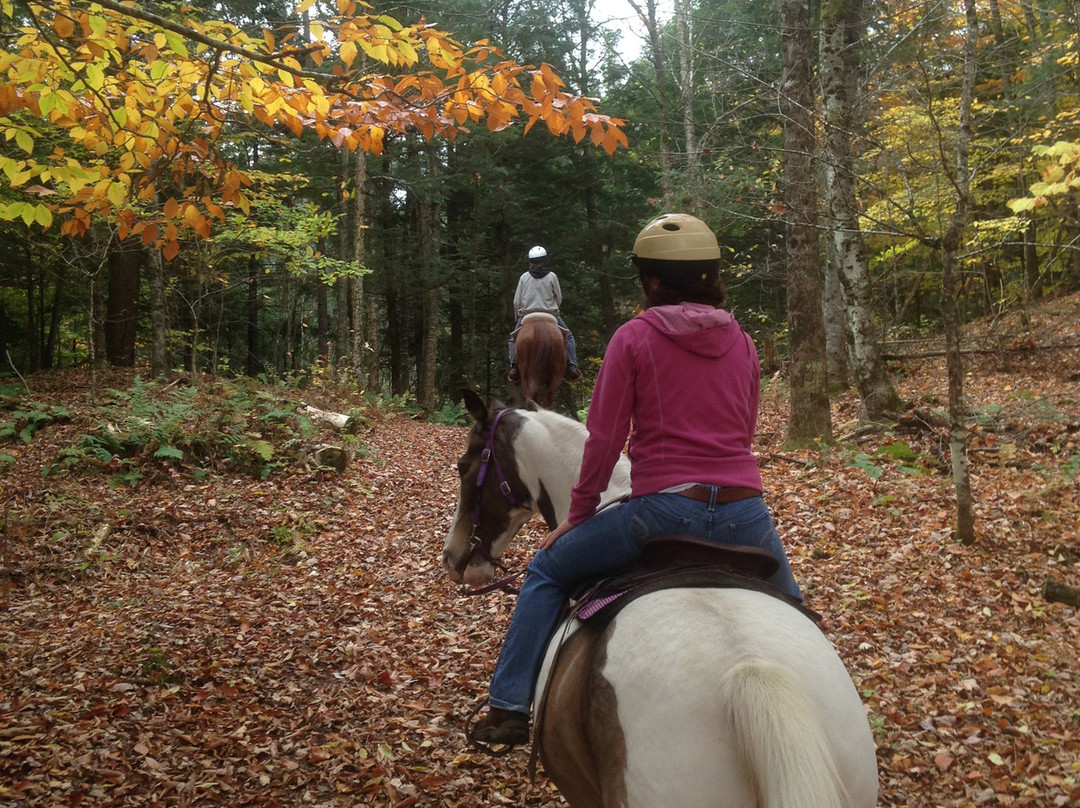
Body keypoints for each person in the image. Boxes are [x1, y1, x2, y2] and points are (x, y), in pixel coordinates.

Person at [470, 213, 803, 747]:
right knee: (799, 614)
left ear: (650, 280)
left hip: (661, 511)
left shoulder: (634, 339)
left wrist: (576, 517)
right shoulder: (743, 342)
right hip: (746, 512)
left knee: (547, 574)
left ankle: (509, 706)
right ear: (710, 275)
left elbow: (602, 442)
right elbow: (744, 429)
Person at [508, 245, 581, 383]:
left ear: (530, 261)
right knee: (569, 336)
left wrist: (517, 316)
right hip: (549, 314)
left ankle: (513, 367)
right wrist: (554, 310)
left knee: (513, 339)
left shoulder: (524, 277)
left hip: (527, 314)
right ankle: (572, 365)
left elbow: (516, 300)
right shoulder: (552, 276)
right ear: (544, 260)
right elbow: (558, 297)